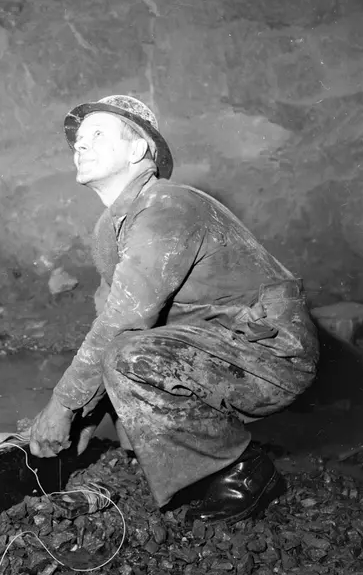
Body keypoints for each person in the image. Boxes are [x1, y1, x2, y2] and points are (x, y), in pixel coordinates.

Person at [28, 95, 319, 525]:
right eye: (79, 139)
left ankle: (241, 471)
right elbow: (107, 321)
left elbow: (124, 323)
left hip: (272, 355)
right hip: (219, 346)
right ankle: (156, 455)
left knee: (128, 355)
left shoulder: (166, 206)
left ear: (137, 150)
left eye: (98, 134)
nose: (80, 145)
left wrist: (62, 406)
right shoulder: (114, 228)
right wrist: (80, 418)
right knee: (120, 352)